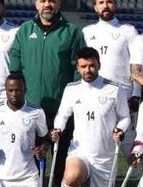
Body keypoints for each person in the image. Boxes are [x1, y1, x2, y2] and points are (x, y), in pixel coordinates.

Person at [9, 0, 86, 183]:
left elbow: (78, 68)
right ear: (36, 4)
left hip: (62, 108)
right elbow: (15, 68)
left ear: (58, 5)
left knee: (60, 157)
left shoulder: (71, 32)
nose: (47, 5)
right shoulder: (25, 30)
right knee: (32, 157)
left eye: (52, 1)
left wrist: (76, 101)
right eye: (43, 1)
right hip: (33, 108)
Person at [51, 47, 131, 187]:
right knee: (71, 177)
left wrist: (119, 130)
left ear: (99, 65)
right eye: (83, 66)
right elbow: (62, 115)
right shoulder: (71, 89)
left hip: (105, 155)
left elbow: (125, 117)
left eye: (91, 65)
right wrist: (57, 129)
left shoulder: (114, 89)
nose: (87, 70)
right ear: (77, 67)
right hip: (80, 150)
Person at [82, 0, 139, 156]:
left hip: (123, 96)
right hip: (96, 96)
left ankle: (135, 178)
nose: (105, 6)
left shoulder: (128, 30)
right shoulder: (87, 32)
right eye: (101, 3)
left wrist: (135, 94)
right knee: (100, 144)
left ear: (115, 5)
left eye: (109, 2)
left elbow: (136, 64)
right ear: (95, 7)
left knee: (128, 146)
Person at [0, 73, 49, 187]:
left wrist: (43, 149)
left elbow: (44, 139)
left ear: (25, 90)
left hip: (28, 177)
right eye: (10, 90)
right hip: (0, 175)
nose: (14, 94)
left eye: (18, 90)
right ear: (6, 91)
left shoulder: (37, 112)